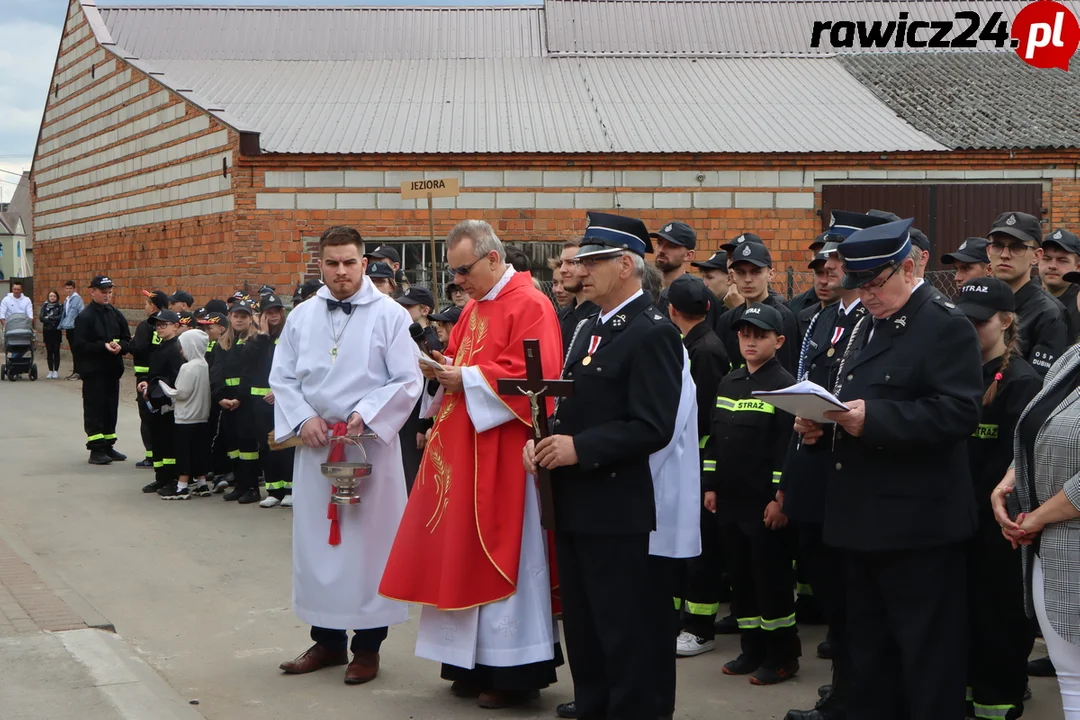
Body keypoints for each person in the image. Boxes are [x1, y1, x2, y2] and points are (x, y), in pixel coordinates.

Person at [796, 218, 983, 720]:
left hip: (917, 527)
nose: (866, 295)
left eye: (874, 284)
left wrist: (871, 419)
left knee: (926, 657)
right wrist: (822, 425)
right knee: (870, 654)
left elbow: (959, 412)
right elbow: (858, 399)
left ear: (908, 266)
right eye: (857, 285)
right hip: (862, 522)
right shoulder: (868, 321)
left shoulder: (943, 323)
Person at [380, 219, 564, 709]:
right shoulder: (476, 306)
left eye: (462, 271)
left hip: (503, 452)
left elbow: (536, 377)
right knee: (458, 550)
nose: (457, 281)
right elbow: (464, 360)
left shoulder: (532, 305)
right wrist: (443, 365)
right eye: (453, 273)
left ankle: (512, 673)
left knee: (505, 552)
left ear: (492, 258)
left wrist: (467, 377)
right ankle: (467, 663)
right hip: (464, 451)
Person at [527, 212, 682, 720]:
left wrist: (580, 448)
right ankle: (596, 703)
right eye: (580, 260)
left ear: (625, 265)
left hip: (615, 504)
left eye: (593, 261)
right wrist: (545, 443)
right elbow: (573, 404)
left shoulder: (651, 331)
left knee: (624, 626)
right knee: (586, 625)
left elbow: (652, 426)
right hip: (575, 499)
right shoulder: (592, 325)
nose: (580, 270)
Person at [271, 225, 422, 686]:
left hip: (368, 447)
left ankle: (368, 647)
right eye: (332, 263)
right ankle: (328, 641)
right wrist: (302, 419)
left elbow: (407, 380)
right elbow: (283, 377)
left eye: (349, 262)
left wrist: (365, 413)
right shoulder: (301, 316)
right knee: (319, 546)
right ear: (320, 264)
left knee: (369, 548)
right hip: (318, 447)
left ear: (363, 262)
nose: (341, 272)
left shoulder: (391, 315)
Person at [782, 234, 870, 720]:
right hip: (813, 468)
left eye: (836, 261)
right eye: (821, 262)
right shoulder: (823, 319)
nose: (827, 269)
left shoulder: (867, 321)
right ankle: (844, 687)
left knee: (850, 596)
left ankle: (851, 694)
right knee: (831, 591)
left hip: (845, 473)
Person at [953, 277, 1042, 720]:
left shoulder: (1021, 382)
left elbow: (1018, 467)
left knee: (997, 623)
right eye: (962, 321)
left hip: (999, 531)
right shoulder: (957, 372)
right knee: (964, 620)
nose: (968, 329)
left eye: (979, 322)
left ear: (1006, 321)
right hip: (958, 521)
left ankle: (997, 705)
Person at [995, 266, 1080, 718]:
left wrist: (1039, 516)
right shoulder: (1072, 358)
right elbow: (1036, 430)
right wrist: (1008, 482)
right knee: (1071, 679)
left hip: (1056, 534)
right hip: (1049, 549)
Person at [706, 303, 800, 685]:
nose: (750, 341)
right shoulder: (730, 382)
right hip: (729, 501)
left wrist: (780, 499)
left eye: (760, 335)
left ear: (778, 341)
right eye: (745, 334)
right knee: (742, 581)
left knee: (770, 582)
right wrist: (710, 486)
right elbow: (715, 438)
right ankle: (752, 650)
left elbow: (787, 450)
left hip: (764, 507)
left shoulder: (786, 386)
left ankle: (781, 657)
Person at [667, 277, 730, 658]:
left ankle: (700, 627)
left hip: (701, 461)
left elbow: (704, 417)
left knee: (700, 549)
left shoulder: (704, 350)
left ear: (672, 311)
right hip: (690, 459)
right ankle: (679, 619)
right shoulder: (693, 344)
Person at [988, 211, 1068, 376]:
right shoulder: (980, 301)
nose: (1004, 255)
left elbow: (1042, 384)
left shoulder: (1048, 313)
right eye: (997, 245)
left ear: (1037, 256)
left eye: (1017, 247)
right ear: (988, 251)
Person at [71, 276, 132, 465]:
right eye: (103, 292)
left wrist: (120, 346)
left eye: (110, 293)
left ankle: (108, 444)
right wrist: (102, 347)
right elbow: (79, 345)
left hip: (112, 371)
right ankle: (96, 449)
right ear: (92, 292)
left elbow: (126, 338)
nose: (107, 296)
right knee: (94, 409)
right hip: (94, 372)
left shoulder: (115, 313)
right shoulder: (85, 317)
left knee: (110, 409)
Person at [715, 242, 800, 373]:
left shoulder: (783, 317)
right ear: (733, 276)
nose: (748, 279)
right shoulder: (726, 319)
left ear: (770, 274)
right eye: (741, 272)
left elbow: (787, 371)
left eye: (756, 272)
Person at [245, 293, 293, 508]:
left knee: (285, 444)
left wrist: (281, 391)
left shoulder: (289, 335)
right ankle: (274, 490)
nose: (273, 316)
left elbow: (296, 367)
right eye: (268, 312)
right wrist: (262, 334)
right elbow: (248, 362)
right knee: (267, 446)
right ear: (261, 316)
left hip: (284, 400)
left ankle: (290, 490)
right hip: (260, 403)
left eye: (276, 311)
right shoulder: (256, 338)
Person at [156, 329, 213, 500]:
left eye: (182, 347)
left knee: (184, 452)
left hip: (185, 417)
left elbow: (181, 393)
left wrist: (162, 386)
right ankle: (202, 483)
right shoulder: (205, 365)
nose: (181, 351)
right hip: (202, 417)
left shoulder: (188, 368)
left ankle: (182, 487)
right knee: (198, 451)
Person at [395, 286, 442, 493]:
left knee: (415, 473)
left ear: (424, 310)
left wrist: (423, 425)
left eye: (408, 306)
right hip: (404, 414)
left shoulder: (430, 341)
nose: (403, 309)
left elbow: (432, 388)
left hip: (419, 416)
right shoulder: (405, 337)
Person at [215, 300, 261, 504]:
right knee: (232, 444)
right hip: (226, 402)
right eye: (236, 316)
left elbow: (251, 372)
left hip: (246, 402)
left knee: (248, 446)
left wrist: (239, 398)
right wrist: (219, 397)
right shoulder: (222, 343)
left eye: (244, 316)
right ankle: (239, 485)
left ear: (251, 319)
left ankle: (251, 487)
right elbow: (215, 371)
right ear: (230, 317)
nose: (240, 319)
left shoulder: (255, 341)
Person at [139, 310, 184, 495]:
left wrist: (162, 392)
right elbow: (154, 373)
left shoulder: (176, 349)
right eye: (157, 326)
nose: (159, 329)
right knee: (157, 441)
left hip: (168, 403)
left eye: (163, 325)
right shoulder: (160, 347)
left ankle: (171, 479)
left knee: (168, 443)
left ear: (176, 326)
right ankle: (160, 477)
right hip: (155, 401)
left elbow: (176, 378)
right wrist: (146, 384)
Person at [652, 222, 723, 328]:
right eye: (659, 243)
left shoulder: (700, 294)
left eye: (671, 246)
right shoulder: (644, 289)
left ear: (689, 255)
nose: (661, 250)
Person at [133, 290, 169, 469]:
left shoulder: (145, 326)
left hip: (144, 379)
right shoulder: (169, 325)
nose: (145, 307)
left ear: (153, 306)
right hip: (163, 378)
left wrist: (128, 343)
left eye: (146, 304)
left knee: (147, 417)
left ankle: (150, 455)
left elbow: (138, 348)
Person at [198, 311, 232, 492]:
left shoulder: (225, 347)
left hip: (222, 399)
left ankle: (222, 472)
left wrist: (219, 396)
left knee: (220, 437)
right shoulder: (210, 346)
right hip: (211, 398)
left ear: (222, 329)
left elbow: (218, 374)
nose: (205, 331)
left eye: (208, 328)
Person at [556, 239, 599, 351]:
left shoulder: (599, 315)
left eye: (571, 262)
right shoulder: (563, 315)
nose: (562, 270)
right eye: (561, 263)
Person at [1039, 228, 1080, 341]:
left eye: (1062, 260)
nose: (1052, 265)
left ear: (1078, 267)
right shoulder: (1027, 297)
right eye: (1046, 259)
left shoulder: (1078, 303)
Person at [60, 280, 84, 380]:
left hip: (75, 328)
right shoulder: (67, 299)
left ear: (74, 289)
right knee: (74, 351)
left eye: (70, 288)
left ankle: (79, 372)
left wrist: (66, 324)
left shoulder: (76, 299)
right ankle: (76, 371)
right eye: (67, 288)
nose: (69, 290)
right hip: (69, 327)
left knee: (77, 350)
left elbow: (73, 314)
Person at [40, 290, 63, 379]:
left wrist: (49, 317)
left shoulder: (60, 306)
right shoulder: (45, 306)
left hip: (56, 331)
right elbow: (41, 318)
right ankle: (50, 370)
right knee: (49, 351)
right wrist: (51, 319)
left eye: (54, 296)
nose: (52, 298)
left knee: (56, 351)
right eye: (50, 296)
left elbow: (60, 317)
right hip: (47, 331)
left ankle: (56, 371)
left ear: (57, 297)